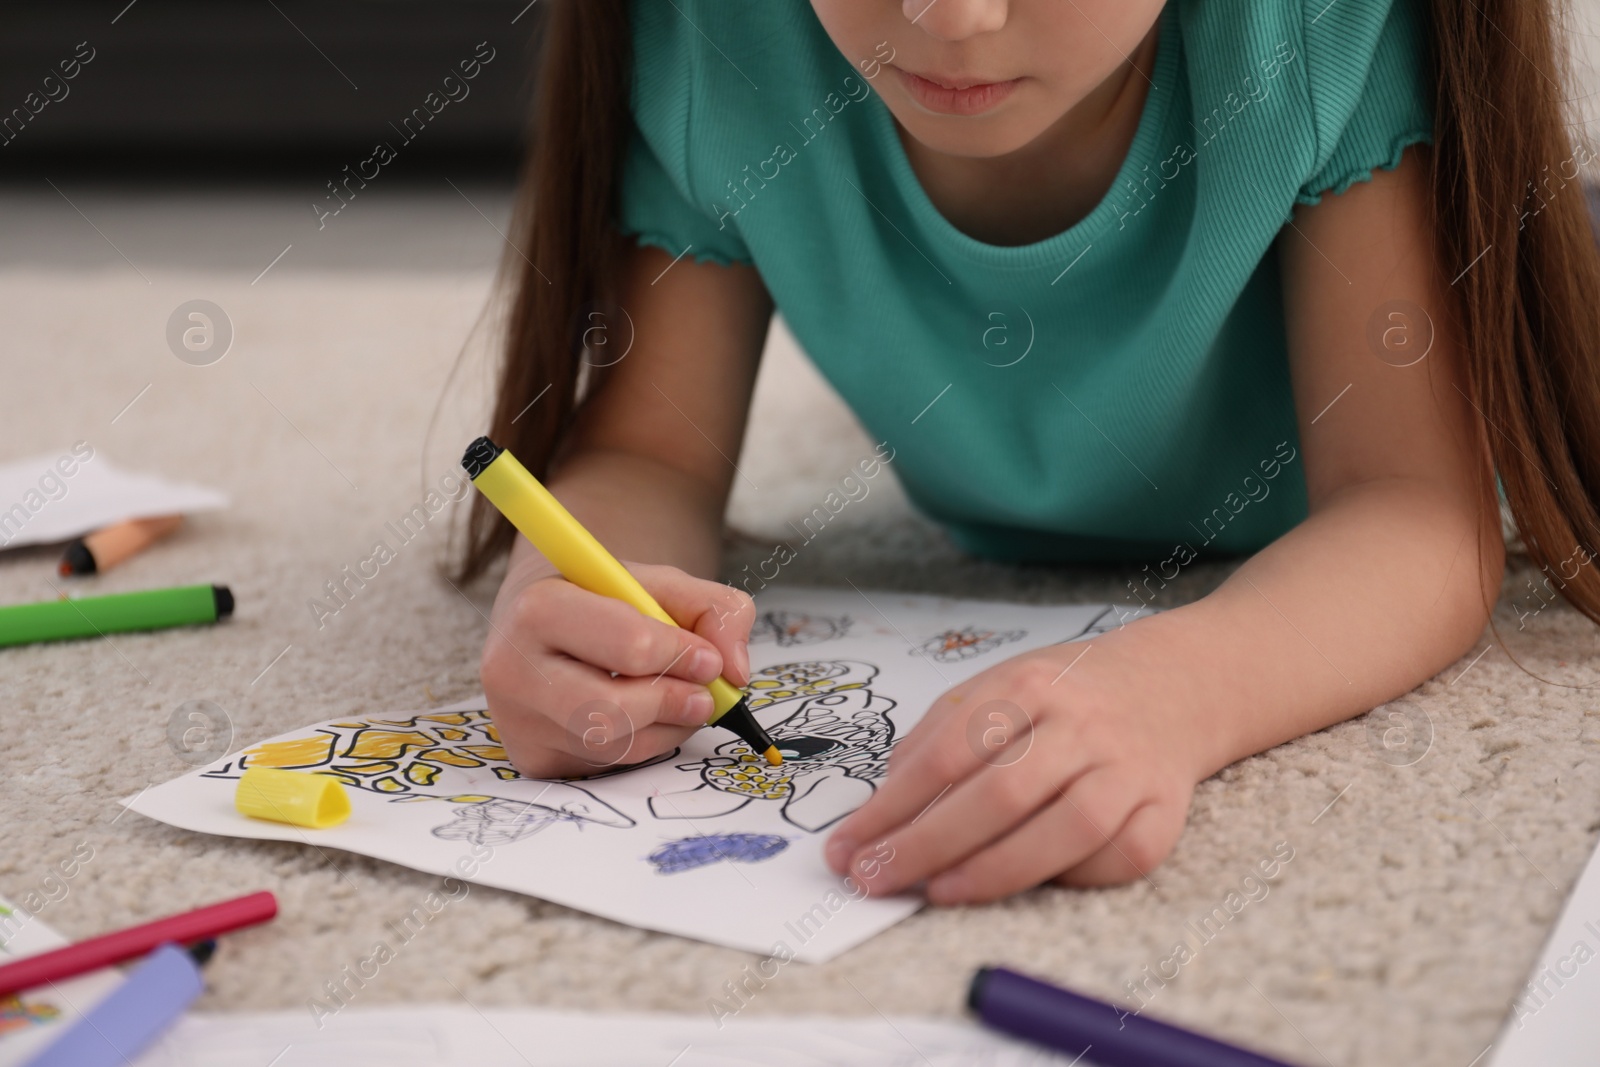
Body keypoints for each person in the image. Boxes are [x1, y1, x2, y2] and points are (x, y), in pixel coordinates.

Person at [453, 0, 1600, 902]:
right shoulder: (720, 26)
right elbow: (654, 451)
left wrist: (1175, 689)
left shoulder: (1316, 24)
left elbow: (1416, 509)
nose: (951, 15)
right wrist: (571, 600)